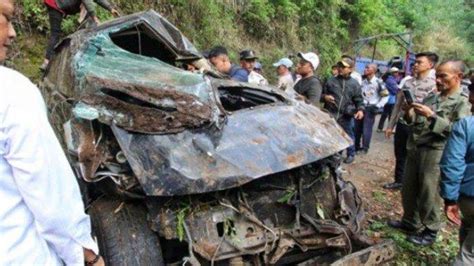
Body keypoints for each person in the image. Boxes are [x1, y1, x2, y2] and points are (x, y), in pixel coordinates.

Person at [0, 1, 104, 265]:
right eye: (6, 19)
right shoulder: (13, 94)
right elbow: (49, 194)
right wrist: (88, 256)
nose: (13, 33)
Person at [388, 60, 472, 246]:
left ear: (458, 77)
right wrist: (409, 112)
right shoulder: (431, 98)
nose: (439, 80)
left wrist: (432, 116)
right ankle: (410, 221)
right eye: (438, 76)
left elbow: (459, 132)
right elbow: (414, 122)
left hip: (437, 152)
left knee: (429, 191)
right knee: (409, 188)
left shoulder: (462, 103)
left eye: (444, 76)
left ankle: (431, 230)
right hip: (416, 147)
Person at [383, 52, 439, 190]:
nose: (415, 65)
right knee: (400, 153)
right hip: (403, 124)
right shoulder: (407, 82)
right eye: (415, 62)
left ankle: (414, 183)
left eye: (420, 62)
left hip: (420, 127)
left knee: (416, 156)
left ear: (430, 65)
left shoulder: (434, 86)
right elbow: (397, 105)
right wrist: (390, 125)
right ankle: (399, 181)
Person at [440, 88, 474, 264]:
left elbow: (453, 163)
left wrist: (450, 199)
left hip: (467, 197)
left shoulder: (466, 125)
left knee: (468, 247)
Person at [42, 0, 120, 70]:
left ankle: (46, 62)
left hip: (53, 3)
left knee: (55, 33)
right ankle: (47, 62)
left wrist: (111, 8)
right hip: (56, 3)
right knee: (55, 33)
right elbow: (88, 3)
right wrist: (95, 18)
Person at [322, 57, 364, 164]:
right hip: (330, 113)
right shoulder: (331, 80)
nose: (340, 68)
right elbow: (321, 95)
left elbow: (359, 99)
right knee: (329, 135)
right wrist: (325, 97)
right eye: (340, 66)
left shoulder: (354, 84)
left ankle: (351, 154)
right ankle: (333, 156)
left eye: (344, 67)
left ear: (350, 69)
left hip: (345, 115)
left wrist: (360, 110)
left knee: (348, 135)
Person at [354, 64, 388, 154]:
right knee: (357, 128)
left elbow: (385, 96)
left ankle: (365, 148)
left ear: (374, 70)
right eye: (365, 67)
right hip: (361, 107)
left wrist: (378, 106)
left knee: (366, 129)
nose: (365, 69)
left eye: (367, 68)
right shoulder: (363, 82)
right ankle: (355, 146)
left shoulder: (379, 82)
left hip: (371, 108)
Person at [377, 67, 400, 132]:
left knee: (384, 114)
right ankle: (390, 128)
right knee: (391, 114)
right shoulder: (391, 80)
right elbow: (395, 91)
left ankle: (380, 128)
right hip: (391, 100)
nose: (398, 74)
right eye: (396, 72)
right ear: (393, 73)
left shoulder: (389, 79)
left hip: (387, 100)